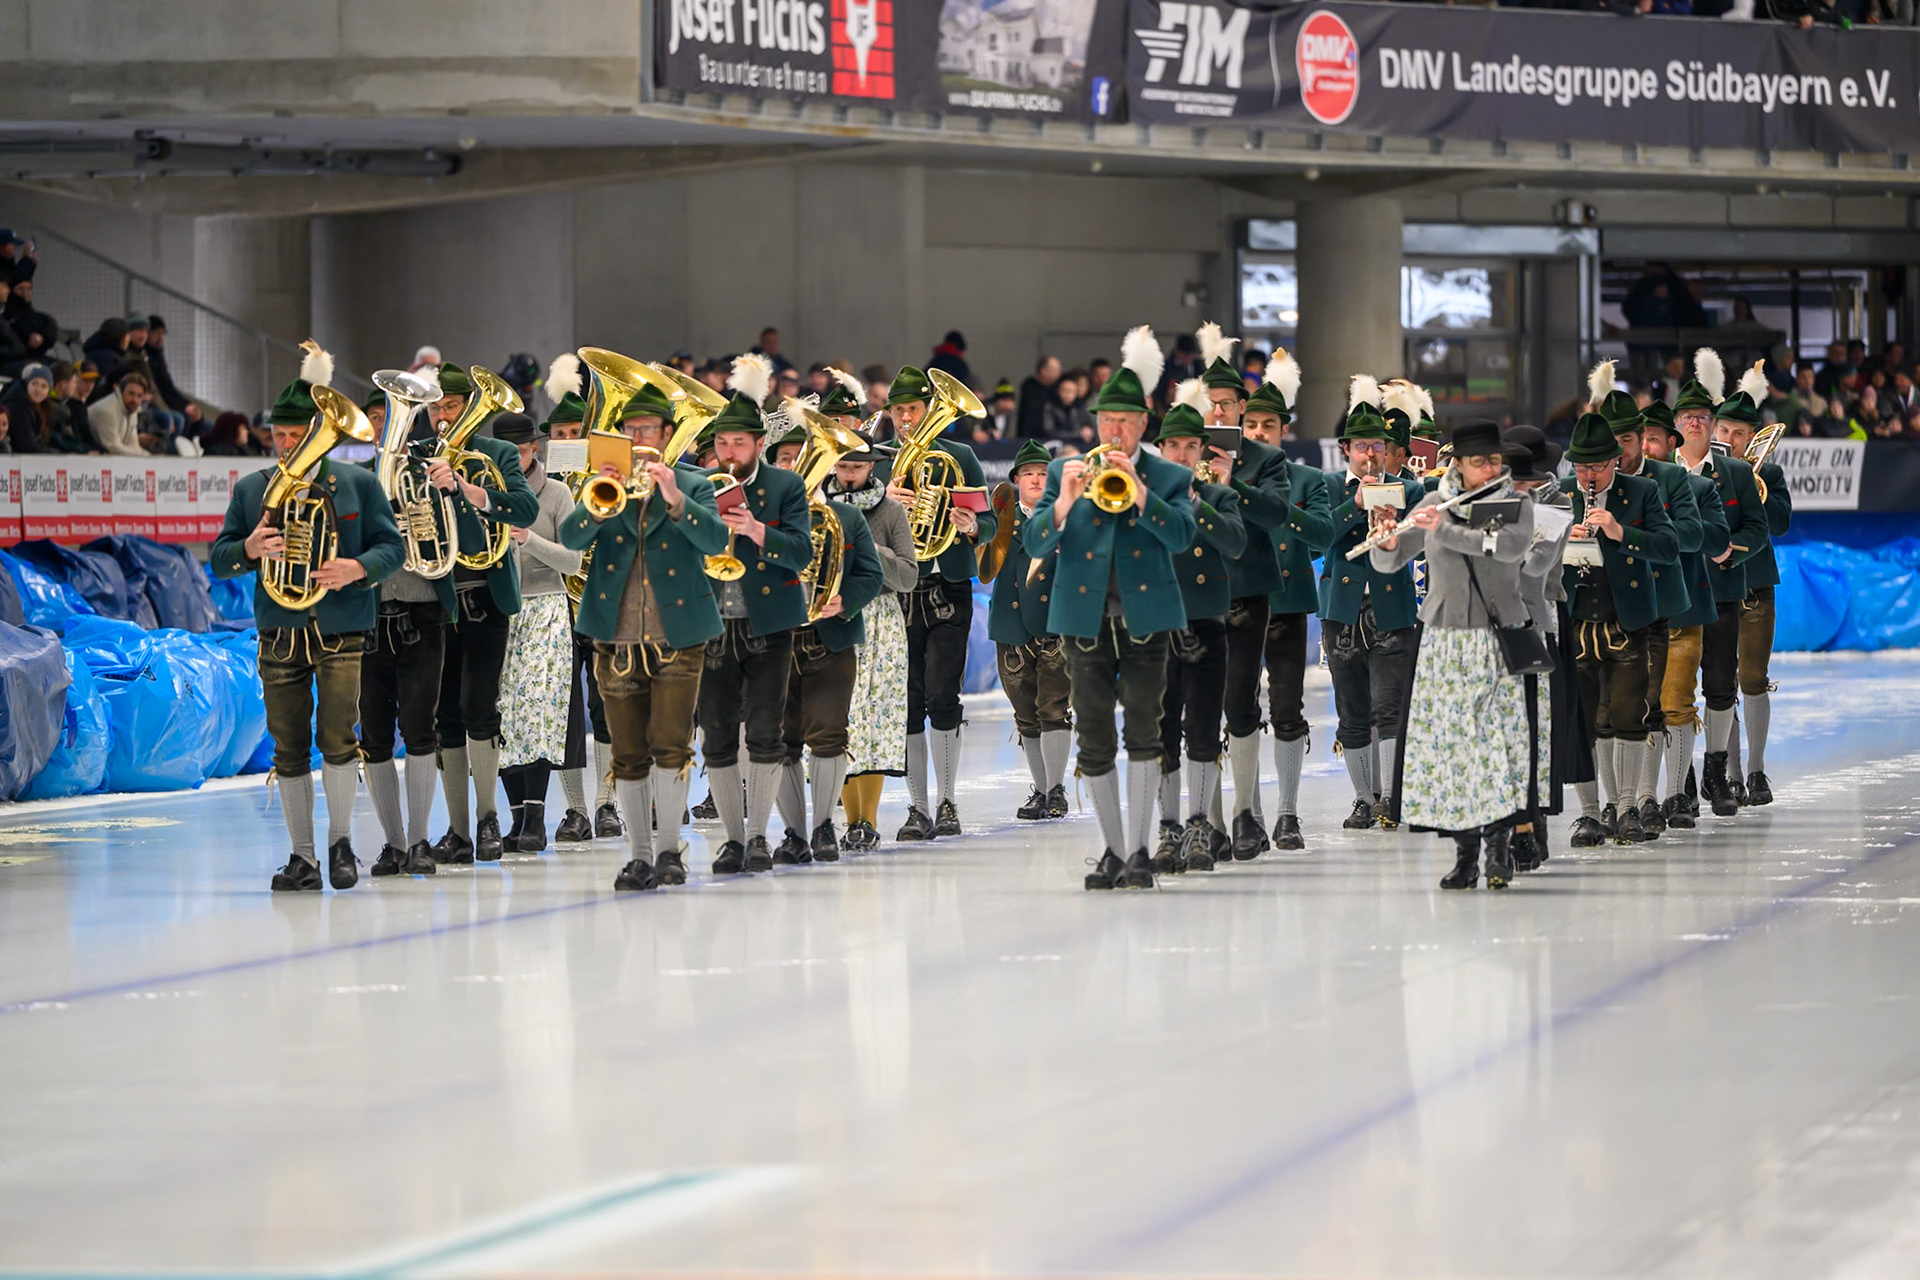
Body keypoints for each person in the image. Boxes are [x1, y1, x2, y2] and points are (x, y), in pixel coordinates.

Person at [210, 345, 405, 892]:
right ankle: (303, 857)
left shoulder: (359, 483)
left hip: (341, 627)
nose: (287, 444)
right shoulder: (253, 490)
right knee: (288, 744)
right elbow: (219, 558)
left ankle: (341, 844)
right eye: (281, 436)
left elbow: (394, 550)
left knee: (340, 737)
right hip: (279, 630)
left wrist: (357, 568)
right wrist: (248, 547)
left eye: (297, 435)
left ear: (319, 431)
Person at [1022, 326, 1197, 891]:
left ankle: (1141, 850)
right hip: (1083, 623)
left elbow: (1181, 536)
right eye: (1106, 421)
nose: (1114, 431)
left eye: (1124, 422)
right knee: (1093, 737)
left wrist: (1141, 495)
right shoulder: (1062, 473)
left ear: (1145, 424)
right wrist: (1066, 503)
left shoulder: (1168, 475)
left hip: (1146, 623)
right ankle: (1113, 851)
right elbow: (1034, 545)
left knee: (1146, 732)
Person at [557, 389, 731, 892]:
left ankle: (669, 851)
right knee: (627, 754)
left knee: (671, 747)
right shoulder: (601, 486)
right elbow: (571, 539)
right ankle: (637, 856)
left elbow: (717, 541)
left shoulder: (694, 484)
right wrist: (596, 504)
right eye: (629, 430)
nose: (637, 439)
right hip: (615, 639)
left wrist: (675, 500)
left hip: (679, 637)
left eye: (647, 430)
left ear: (666, 435)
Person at [1372, 421, 1536, 890]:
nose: (1489, 468)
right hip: (1443, 638)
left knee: (1496, 743)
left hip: (1497, 634)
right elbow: (1391, 560)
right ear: (1458, 465)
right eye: (1479, 461)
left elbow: (1510, 549)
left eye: (1494, 461)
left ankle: (1498, 848)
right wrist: (1384, 541)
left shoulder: (1514, 504)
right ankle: (1464, 854)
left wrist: (1447, 530)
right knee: (1453, 747)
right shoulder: (1429, 503)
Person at [695, 355, 813, 874]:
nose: (728, 452)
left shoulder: (786, 488)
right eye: (721, 444)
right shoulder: (700, 485)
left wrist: (758, 531)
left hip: (769, 625)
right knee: (717, 735)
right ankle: (732, 839)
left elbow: (802, 552)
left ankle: (760, 836)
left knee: (766, 732)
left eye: (738, 443)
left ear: (759, 444)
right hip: (712, 625)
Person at [425, 363, 539, 864]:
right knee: (445, 716)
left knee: (478, 708)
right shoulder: (421, 459)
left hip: (488, 596)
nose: (443, 416)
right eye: (436, 408)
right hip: (440, 600)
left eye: (451, 406)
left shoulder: (494, 454)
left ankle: (489, 817)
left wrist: (470, 491)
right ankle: (456, 830)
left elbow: (525, 509)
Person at [1190, 324, 1296, 860]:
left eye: (1227, 405)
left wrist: (1237, 484)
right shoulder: (1181, 452)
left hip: (1246, 593)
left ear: (1240, 406)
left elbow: (1279, 514)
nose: (1218, 414)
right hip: (1192, 596)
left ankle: (1246, 813)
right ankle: (1208, 820)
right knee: (1199, 707)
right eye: (1209, 405)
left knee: (1240, 701)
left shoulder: (1265, 459)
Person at [883, 364, 996, 840]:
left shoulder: (961, 455)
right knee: (909, 702)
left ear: (929, 409)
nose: (907, 418)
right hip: (901, 591)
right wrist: (884, 500)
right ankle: (917, 806)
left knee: (943, 697)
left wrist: (971, 526)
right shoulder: (880, 459)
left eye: (914, 408)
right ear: (888, 413)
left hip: (947, 584)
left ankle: (948, 800)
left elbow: (988, 524)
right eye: (899, 410)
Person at [766, 413, 885, 862]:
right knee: (780, 741)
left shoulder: (846, 516)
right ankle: (794, 834)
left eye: (802, 459)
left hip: (829, 641)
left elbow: (871, 576)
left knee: (830, 736)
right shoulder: (762, 518)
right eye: (784, 459)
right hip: (776, 643)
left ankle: (822, 829)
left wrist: (844, 600)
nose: (795, 466)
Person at [1591, 361, 1702, 842]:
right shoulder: (1587, 475)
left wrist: (1633, 536)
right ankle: (1620, 804)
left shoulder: (1669, 479)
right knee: (1609, 710)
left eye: (1627, 441)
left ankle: (1650, 798)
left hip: (1656, 604)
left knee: (1654, 704)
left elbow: (1691, 535)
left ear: (1641, 438)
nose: (1618, 452)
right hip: (1602, 608)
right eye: (1610, 443)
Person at [1559, 410, 1679, 847]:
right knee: (1585, 721)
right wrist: (1561, 546)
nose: (1588, 475)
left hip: (1627, 622)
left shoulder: (1642, 491)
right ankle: (1591, 813)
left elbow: (1668, 548)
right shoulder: (1559, 496)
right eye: (1581, 467)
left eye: (1597, 466)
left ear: (1614, 461)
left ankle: (1627, 808)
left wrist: (1619, 531)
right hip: (1576, 622)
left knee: (1630, 716)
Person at [1662, 351, 1770, 822]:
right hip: (1676, 598)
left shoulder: (1737, 473)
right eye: (1687, 418)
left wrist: (1732, 551)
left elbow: (1757, 528)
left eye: (1703, 418)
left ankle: (1717, 773)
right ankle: (1680, 781)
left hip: (1724, 592)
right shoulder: (1659, 475)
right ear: (1676, 427)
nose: (1696, 425)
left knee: (1722, 687)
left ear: (1712, 422)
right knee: (1673, 691)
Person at [358, 371, 457, 879]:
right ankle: (392, 843)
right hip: (368, 616)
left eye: (390, 417)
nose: (383, 426)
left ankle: (419, 840)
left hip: (421, 610)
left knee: (421, 728)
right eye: (376, 418)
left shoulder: (425, 470)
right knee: (374, 734)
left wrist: (421, 518)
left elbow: (448, 531)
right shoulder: (350, 477)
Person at [1321, 378, 1425, 830]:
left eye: (1378, 445)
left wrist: (1392, 521)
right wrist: (1355, 504)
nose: (1370, 454)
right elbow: (1317, 536)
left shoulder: (1412, 489)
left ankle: (1391, 798)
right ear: (1346, 448)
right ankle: (1365, 798)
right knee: (1352, 712)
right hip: (1342, 610)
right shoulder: (1329, 487)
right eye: (1362, 445)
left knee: (1390, 708)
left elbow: (1419, 546)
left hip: (1392, 608)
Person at [1150, 382, 1246, 873]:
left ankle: (1198, 826)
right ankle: (1167, 828)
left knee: (1204, 730)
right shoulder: (1143, 495)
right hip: (1158, 624)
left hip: (1207, 622)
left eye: (1192, 446)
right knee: (1162, 731)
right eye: (1175, 446)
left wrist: (1201, 505)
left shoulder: (1217, 495)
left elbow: (1234, 544)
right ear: (1161, 449)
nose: (1184, 454)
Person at [821, 373, 917, 853]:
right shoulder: (821, 504)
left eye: (857, 466)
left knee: (877, 722)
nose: (848, 473)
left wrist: (865, 547)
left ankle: (867, 819)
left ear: (871, 467)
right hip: (836, 614)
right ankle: (844, 818)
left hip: (880, 618)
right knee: (841, 718)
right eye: (842, 465)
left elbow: (908, 576)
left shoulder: (891, 511)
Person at [1240, 351, 1331, 850]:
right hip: (1238, 602)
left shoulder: (1307, 480)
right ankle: (1248, 813)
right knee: (1241, 708)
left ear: (1283, 429)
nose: (1257, 432)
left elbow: (1322, 534)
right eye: (1249, 423)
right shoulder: (1226, 476)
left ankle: (1288, 812)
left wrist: (1280, 511)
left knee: (1288, 708)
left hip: (1289, 603)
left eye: (1267, 425)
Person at [494, 411, 584, 854]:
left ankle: (536, 817)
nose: (515, 458)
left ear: (536, 449)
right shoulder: (488, 494)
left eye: (522, 450)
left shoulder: (557, 494)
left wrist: (530, 540)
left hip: (546, 606)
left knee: (540, 712)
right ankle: (514, 820)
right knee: (503, 712)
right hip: (501, 610)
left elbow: (573, 562)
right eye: (506, 452)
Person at [1641, 404, 1729, 831]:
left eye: (1653, 438)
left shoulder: (1696, 487)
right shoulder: (1611, 489)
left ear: (1670, 443)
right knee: (1635, 710)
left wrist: (1667, 526)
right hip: (1633, 615)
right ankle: (1639, 800)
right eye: (1637, 439)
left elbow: (1714, 536)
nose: (1644, 447)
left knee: (1676, 702)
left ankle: (1678, 794)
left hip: (1682, 612)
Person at [1714, 369, 1792, 808]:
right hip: (1718, 584)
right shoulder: (1704, 474)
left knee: (1753, 678)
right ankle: (1732, 774)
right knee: (1722, 682)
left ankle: (1758, 770)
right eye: (1722, 429)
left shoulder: (1771, 473)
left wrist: (1757, 493)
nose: (1728, 437)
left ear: (1751, 437)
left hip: (1757, 583)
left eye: (1738, 432)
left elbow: (1780, 523)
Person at [987, 440, 1072, 824]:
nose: (1036, 480)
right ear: (1016, 480)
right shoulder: (1001, 518)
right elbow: (983, 560)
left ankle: (1056, 790)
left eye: (1043, 474)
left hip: (1056, 624)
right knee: (1025, 714)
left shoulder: (1065, 515)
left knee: (1053, 708)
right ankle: (1041, 788)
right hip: (1011, 624)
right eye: (1029, 474)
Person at [143, 316, 204, 440]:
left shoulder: (158, 356)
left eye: (163, 334)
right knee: (181, 418)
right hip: (159, 404)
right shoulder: (146, 358)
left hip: (168, 402)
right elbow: (159, 392)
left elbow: (169, 388)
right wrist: (183, 407)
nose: (161, 338)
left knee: (201, 419)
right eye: (157, 333)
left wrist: (187, 404)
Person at [87, 369, 155, 456]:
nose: (135, 400)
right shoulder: (107, 411)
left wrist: (151, 457)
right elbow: (113, 448)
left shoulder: (132, 410)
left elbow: (133, 445)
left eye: (139, 396)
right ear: (121, 391)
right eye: (131, 393)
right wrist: (145, 456)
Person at [1018, 354, 1062, 440]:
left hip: (1051, 436)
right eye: (1055, 370)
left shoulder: (1055, 389)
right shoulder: (1030, 388)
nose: (1058, 373)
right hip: (1031, 436)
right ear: (1043, 370)